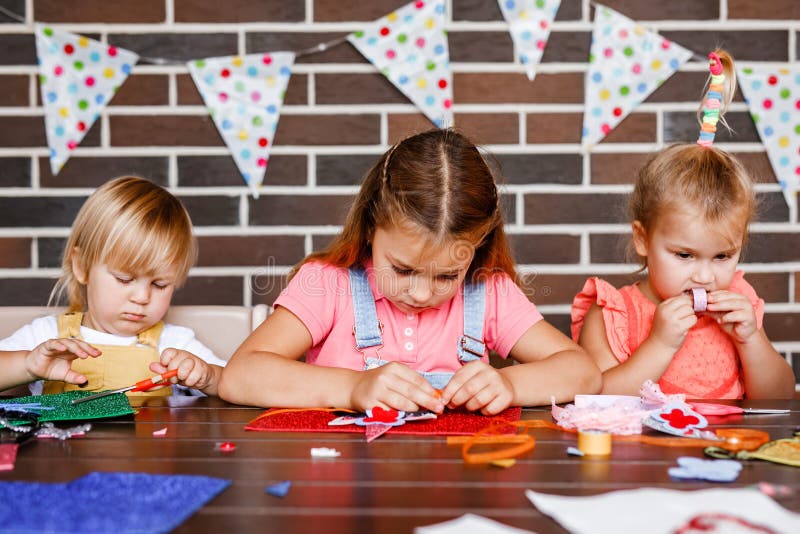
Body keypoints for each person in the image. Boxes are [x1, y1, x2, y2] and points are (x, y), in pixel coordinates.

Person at [219, 129, 601, 414]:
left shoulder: (488, 292)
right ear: (371, 228)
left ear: (477, 249)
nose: (420, 294)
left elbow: (582, 372)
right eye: (402, 270)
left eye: (446, 276)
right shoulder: (328, 285)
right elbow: (241, 376)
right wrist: (354, 387)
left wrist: (509, 384)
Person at [572, 50, 795, 399]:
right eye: (685, 256)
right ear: (642, 239)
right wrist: (659, 343)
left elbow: (780, 399)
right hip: (642, 453)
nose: (705, 277)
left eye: (722, 256)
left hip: (727, 451)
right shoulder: (613, 314)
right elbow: (596, 399)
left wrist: (750, 338)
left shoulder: (741, 303)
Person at [0, 176, 225, 397]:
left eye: (159, 284)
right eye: (124, 279)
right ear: (82, 266)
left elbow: (233, 385)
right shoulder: (47, 336)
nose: (142, 297)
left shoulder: (174, 344)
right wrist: (28, 366)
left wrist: (208, 377)